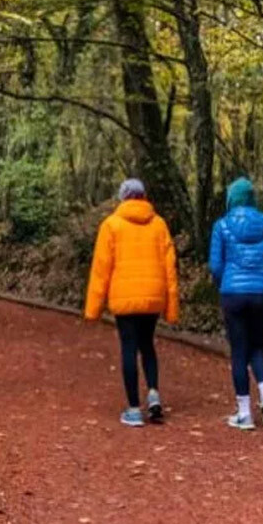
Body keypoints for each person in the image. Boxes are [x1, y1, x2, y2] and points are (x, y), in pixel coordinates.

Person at [84, 178, 180, 427]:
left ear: (122, 197)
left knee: (129, 347)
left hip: (124, 297)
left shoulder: (111, 225)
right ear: (144, 196)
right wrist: (171, 308)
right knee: (147, 344)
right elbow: (170, 268)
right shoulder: (159, 224)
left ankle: (134, 409)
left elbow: (101, 269)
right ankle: (154, 394)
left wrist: (93, 309)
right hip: (153, 296)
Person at [209, 177, 263, 431]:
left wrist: (226, 282)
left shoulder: (222, 225)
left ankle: (244, 413)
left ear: (231, 198)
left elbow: (216, 265)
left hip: (233, 294)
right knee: (258, 347)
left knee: (239, 350)